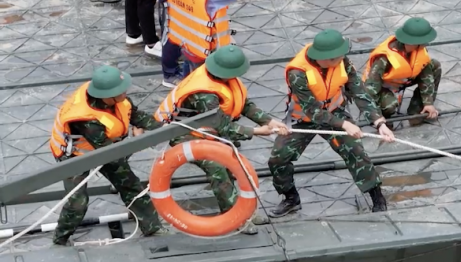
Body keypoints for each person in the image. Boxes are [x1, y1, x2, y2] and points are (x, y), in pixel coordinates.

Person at [154, 45, 288, 234]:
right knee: (217, 168)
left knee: (236, 165)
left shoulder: (225, 79)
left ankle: (244, 210)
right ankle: (235, 218)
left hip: (209, 132)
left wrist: (269, 120)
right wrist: (258, 131)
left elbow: (244, 104)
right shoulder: (204, 94)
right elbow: (223, 127)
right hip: (187, 135)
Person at [269, 29, 397, 216]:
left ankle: (376, 196)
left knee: (356, 151)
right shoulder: (298, 73)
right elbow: (313, 111)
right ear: (326, 58)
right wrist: (344, 124)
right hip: (303, 119)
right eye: (338, 57)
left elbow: (358, 91)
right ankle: (290, 198)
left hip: (334, 111)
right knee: (278, 158)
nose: (342, 60)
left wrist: (379, 122)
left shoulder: (342, 61)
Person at [49, 66, 165, 245]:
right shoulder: (87, 120)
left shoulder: (117, 99)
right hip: (75, 155)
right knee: (77, 202)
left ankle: (152, 227)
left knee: (130, 186)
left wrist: (162, 130)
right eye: (121, 91)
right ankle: (60, 238)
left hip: (107, 147)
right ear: (106, 96)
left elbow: (135, 115)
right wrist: (139, 141)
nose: (125, 92)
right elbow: (112, 154)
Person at [364, 17, 443, 121]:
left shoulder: (419, 50)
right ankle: (385, 118)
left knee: (435, 66)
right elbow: (371, 88)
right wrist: (376, 118)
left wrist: (428, 102)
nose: (426, 43)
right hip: (383, 86)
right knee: (390, 106)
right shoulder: (384, 58)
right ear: (416, 42)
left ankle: (418, 111)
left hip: (404, 79)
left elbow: (426, 74)